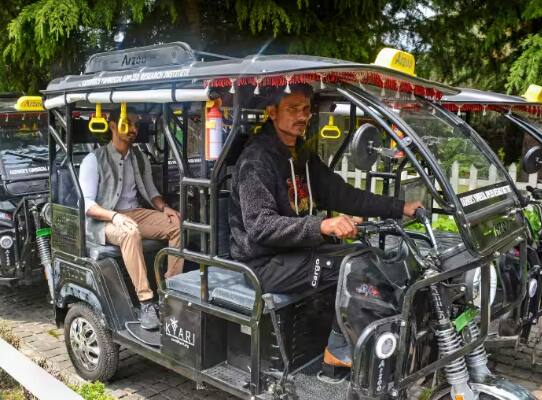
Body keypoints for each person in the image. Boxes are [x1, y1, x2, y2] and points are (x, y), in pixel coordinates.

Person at [229, 84, 422, 371]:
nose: (302, 116)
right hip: (263, 262)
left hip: (297, 252)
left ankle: (378, 339)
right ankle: (339, 347)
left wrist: (400, 208)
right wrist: (323, 225)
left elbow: (342, 194)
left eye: (305, 109)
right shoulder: (256, 160)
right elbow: (261, 226)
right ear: (272, 113)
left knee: (366, 255)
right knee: (352, 267)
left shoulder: (301, 156)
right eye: (292, 109)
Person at [79, 108, 183, 330]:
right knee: (130, 232)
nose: (134, 129)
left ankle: (171, 291)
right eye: (128, 123)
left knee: (177, 225)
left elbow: (151, 191)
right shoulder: (93, 160)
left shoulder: (139, 157)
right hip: (104, 220)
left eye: (136, 125)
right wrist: (114, 216)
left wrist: (165, 208)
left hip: (134, 213)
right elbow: (87, 205)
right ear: (113, 125)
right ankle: (146, 301)